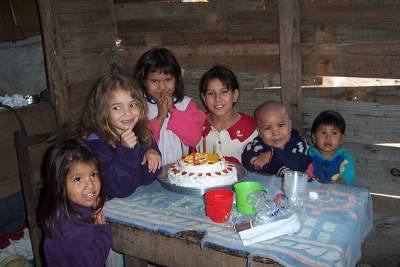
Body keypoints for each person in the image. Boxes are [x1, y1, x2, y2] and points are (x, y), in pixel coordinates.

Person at [79, 73, 161, 198]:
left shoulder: (141, 132)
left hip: (136, 200)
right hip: (108, 210)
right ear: (103, 111)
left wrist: (151, 152)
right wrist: (126, 151)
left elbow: (147, 178)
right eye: (117, 107)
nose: (127, 112)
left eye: (132, 105)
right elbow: (120, 189)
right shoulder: (95, 145)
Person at [40, 139, 111, 267]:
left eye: (93, 174)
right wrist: (102, 232)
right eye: (78, 179)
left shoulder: (70, 207)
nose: (90, 184)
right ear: (59, 184)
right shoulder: (71, 228)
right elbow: (93, 263)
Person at [133, 47, 206, 165]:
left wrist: (173, 110)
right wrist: (160, 117)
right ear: (144, 81)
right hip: (150, 170)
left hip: (182, 171)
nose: (162, 87)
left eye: (167, 79)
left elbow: (194, 139)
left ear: (176, 79)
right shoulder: (138, 107)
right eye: (155, 81)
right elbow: (141, 143)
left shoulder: (186, 105)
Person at [199, 65, 257, 165]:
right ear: (204, 98)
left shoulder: (254, 128)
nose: (217, 98)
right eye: (211, 93)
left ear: (235, 95)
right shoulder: (195, 125)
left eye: (224, 91)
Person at [242, 101, 311, 176]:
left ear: (290, 125)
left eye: (281, 125)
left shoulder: (300, 144)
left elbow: (300, 165)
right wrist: (276, 167)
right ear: (259, 132)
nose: (275, 133)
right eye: (267, 128)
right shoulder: (256, 146)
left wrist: (273, 154)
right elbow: (247, 164)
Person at [307, 110, 356, 184]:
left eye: (334, 133)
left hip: (337, 193)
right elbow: (304, 173)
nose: (328, 138)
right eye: (323, 132)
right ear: (314, 137)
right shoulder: (309, 156)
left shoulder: (344, 157)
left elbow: (350, 173)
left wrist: (343, 180)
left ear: (342, 139)